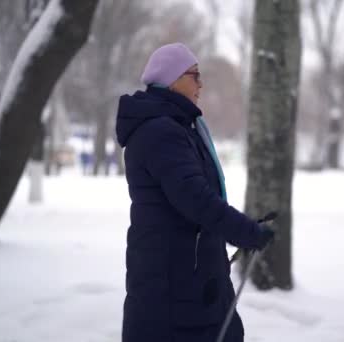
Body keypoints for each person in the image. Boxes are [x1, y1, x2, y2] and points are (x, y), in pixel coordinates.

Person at [115, 42, 275, 342]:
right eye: (195, 75)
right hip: (172, 284)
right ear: (172, 78)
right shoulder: (160, 132)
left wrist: (244, 227)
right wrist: (245, 232)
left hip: (193, 276)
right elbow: (194, 198)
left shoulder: (180, 127)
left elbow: (198, 196)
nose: (201, 84)